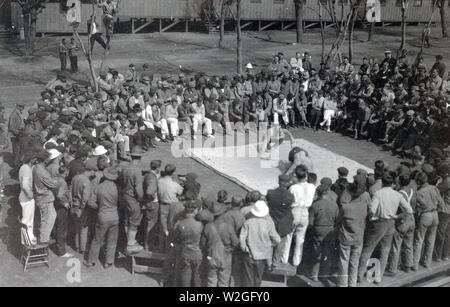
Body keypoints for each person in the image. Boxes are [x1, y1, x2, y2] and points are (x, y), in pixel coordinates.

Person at [357, 174, 413, 284]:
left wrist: (370, 218)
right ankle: (378, 277)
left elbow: (372, 210)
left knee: (368, 249)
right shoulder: (397, 194)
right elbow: (409, 210)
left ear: (382, 183)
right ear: (392, 184)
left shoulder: (378, 194)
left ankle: (359, 275)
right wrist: (397, 216)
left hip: (379, 223)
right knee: (385, 250)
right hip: (391, 223)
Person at [336, 180, 369, 287]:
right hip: (359, 237)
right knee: (355, 262)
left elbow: (337, 221)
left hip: (346, 238)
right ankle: (352, 284)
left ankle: (342, 284)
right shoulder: (364, 206)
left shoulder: (346, 207)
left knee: (344, 261)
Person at [239, 200, 281, 287]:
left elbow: (242, 238)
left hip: (249, 255)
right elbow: (277, 240)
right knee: (258, 279)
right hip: (262, 256)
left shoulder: (248, 223)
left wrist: (244, 248)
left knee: (248, 280)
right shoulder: (269, 223)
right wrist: (269, 245)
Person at [85, 166, 120, 268]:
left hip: (103, 216)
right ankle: (108, 262)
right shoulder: (117, 188)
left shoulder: (99, 187)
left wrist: (98, 207)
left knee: (97, 240)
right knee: (112, 240)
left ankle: (91, 261)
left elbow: (91, 202)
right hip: (114, 216)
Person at [413, 172, 444, 270]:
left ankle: (415, 264)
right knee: (431, 240)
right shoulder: (434, 188)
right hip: (435, 214)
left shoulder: (419, 192)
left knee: (419, 240)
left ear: (418, 181)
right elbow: (441, 204)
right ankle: (427, 262)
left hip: (425, 215)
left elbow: (418, 208)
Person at [308, 184, 339, 282]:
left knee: (316, 252)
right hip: (330, 230)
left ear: (318, 193)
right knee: (327, 253)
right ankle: (324, 274)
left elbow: (310, 222)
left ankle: (314, 275)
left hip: (318, 230)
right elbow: (337, 220)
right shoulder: (334, 205)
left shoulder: (315, 205)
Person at [288, 167, 316, 267]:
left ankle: (284, 258)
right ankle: (296, 261)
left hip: (294, 211)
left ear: (296, 175)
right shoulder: (312, 187)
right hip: (305, 212)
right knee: (300, 238)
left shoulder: (293, 187)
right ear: (306, 176)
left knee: (289, 236)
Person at [120, 145, 145, 254]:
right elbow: (139, 189)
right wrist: (141, 200)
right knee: (134, 221)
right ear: (139, 158)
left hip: (125, 196)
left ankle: (127, 241)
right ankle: (130, 244)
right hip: (133, 198)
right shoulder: (137, 171)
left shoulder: (124, 168)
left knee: (127, 219)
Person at [173, 200, 203, 287]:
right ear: (194, 210)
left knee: (185, 276)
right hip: (197, 253)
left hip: (185, 252)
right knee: (197, 277)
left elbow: (176, 238)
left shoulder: (180, 224)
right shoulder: (199, 224)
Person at [266, 174, 295, 267]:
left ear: (278, 182)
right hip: (284, 222)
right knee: (281, 243)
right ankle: (275, 262)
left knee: (270, 241)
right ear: (287, 184)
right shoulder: (290, 196)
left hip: (272, 220)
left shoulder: (270, 193)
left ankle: (268, 261)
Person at [70, 159, 96, 254]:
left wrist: (71, 203)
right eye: (94, 170)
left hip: (73, 205)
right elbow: (85, 198)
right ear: (90, 170)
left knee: (77, 228)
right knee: (84, 228)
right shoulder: (87, 181)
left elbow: (70, 191)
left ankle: (76, 246)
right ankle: (83, 248)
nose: (94, 172)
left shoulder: (75, 177)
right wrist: (83, 207)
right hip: (82, 207)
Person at [32, 150, 58, 245]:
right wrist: (56, 180)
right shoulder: (41, 171)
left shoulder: (36, 167)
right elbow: (52, 184)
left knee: (47, 217)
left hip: (40, 197)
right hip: (44, 197)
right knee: (48, 218)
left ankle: (43, 236)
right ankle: (43, 239)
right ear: (45, 160)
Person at [158, 164, 183, 251]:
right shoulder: (174, 184)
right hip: (172, 206)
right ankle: (169, 248)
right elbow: (181, 192)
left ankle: (161, 247)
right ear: (173, 173)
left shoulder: (159, 181)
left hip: (162, 204)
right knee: (171, 226)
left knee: (162, 227)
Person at [18, 151, 37, 245]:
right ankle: (27, 241)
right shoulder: (26, 169)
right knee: (27, 220)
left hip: (23, 196)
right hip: (26, 197)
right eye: (34, 158)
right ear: (31, 159)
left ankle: (27, 239)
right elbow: (25, 185)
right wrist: (30, 195)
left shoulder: (24, 167)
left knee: (27, 219)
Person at [53, 166, 72, 257]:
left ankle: (57, 245)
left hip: (55, 206)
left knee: (57, 227)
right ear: (66, 173)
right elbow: (60, 195)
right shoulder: (63, 182)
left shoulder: (55, 179)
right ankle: (61, 251)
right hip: (61, 208)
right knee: (62, 229)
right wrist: (65, 203)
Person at [143, 160, 161, 251]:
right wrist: (153, 197)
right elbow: (149, 192)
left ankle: (148, 244)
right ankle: (149, 246)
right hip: (153, 203)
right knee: (152, 226)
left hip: (148, 202)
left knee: (148, 224)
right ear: (157, 168)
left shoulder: (147, 175)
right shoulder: (152, 177)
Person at [435, 165, 450, 262]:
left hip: (445, 211)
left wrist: (437, 182)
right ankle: (446, 254)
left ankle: (438, 256)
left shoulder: (447, 181)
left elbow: (436, 189)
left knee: (441, 233)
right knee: (448, 234)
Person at [8, 102, 26, 167]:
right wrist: (18, 132)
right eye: (21, 106)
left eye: (23, 107)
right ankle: (15, 166)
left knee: (19, 150)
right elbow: (11, 127)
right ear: (17, 106)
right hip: (15, 135)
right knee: (16, 151)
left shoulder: (20, 113)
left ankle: (17, 164)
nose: (22, 108)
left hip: (19, 134)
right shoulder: (14, 114)